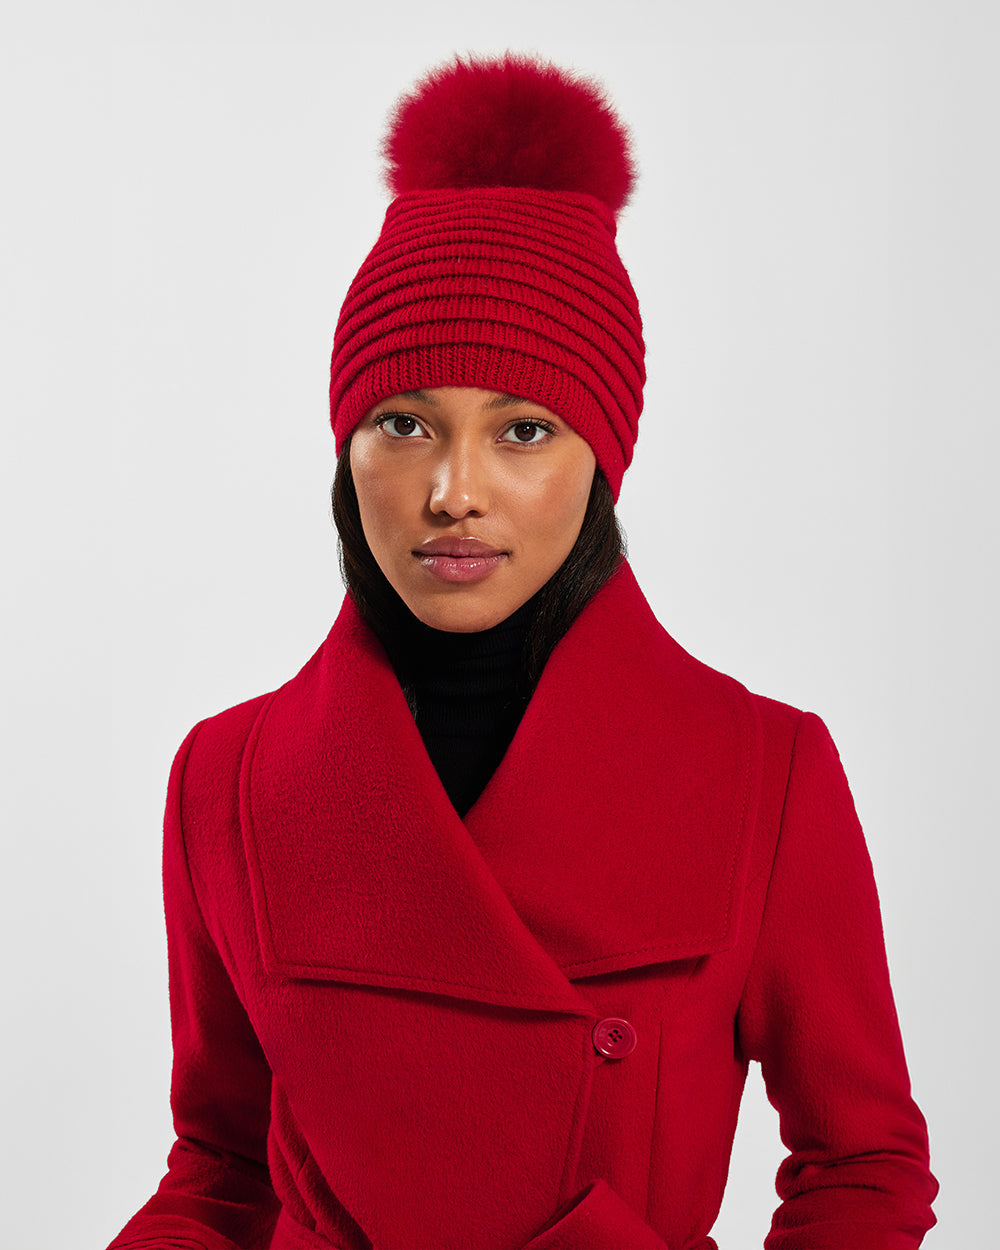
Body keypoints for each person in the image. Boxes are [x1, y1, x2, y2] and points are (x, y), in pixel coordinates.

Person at [109, 53, 937, 1250]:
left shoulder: (767, 770)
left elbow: (860, 1164)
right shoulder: (228, 778)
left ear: (598, 464)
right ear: (347, 452)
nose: (453, 491)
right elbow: (222, 1165)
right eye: (405, 423)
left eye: (522, 429)